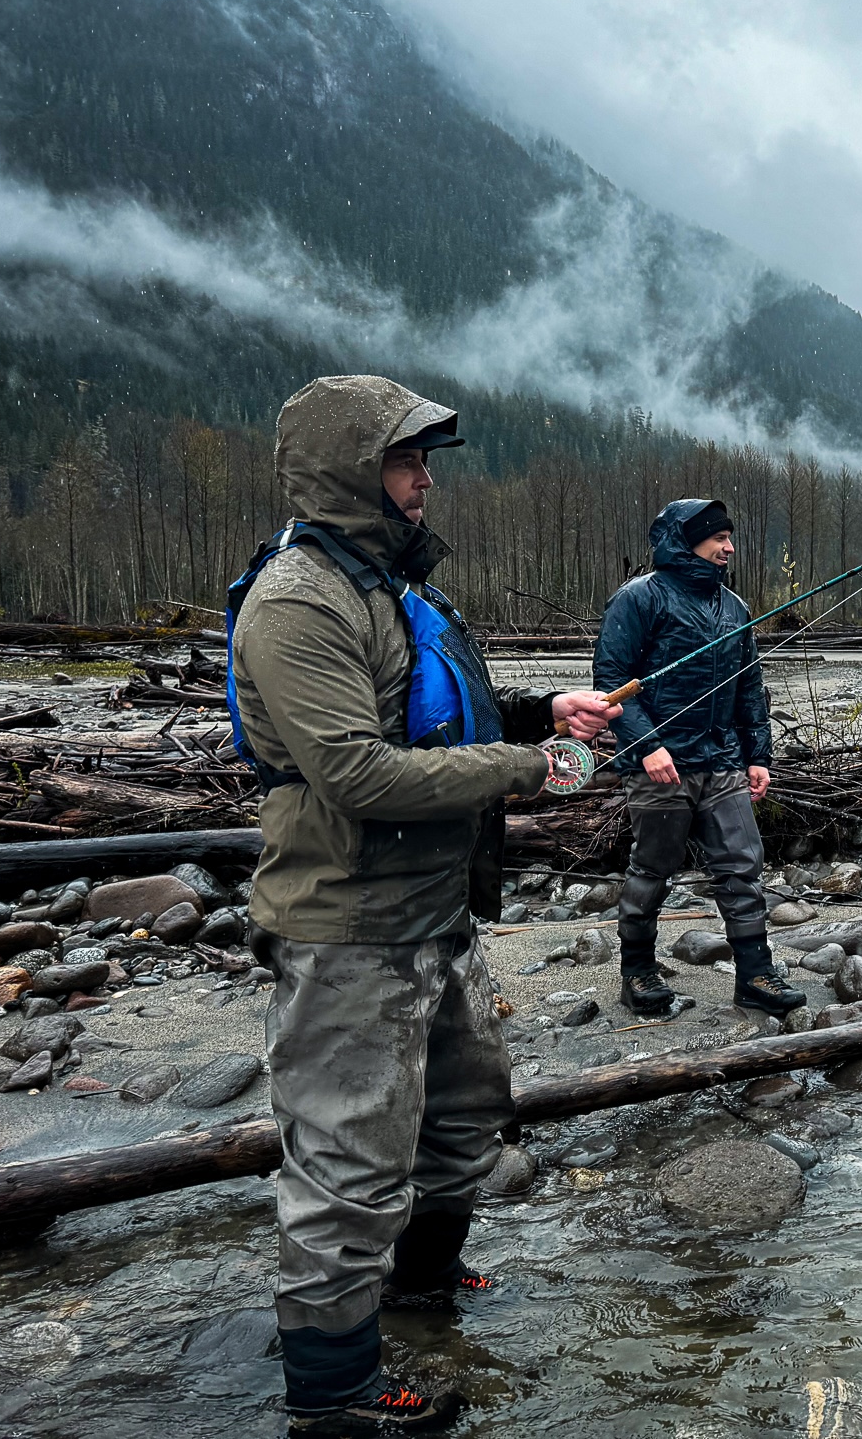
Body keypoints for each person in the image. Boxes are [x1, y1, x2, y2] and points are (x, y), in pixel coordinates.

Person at [229, 375, 619, 1434]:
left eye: (424, 459)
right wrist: (532, 766)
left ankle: (417, 1296)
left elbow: (435, 716)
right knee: (347, 1173)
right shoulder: (300, 600)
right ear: (353, 470)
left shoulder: (387, 588)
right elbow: (358, 772)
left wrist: (547, 709)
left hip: (433, 916)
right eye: (407, 460)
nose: (424, 479)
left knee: (461, 1125)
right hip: (346, 931)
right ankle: (334, 1399)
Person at [592, 499, 804, 1018]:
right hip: (659, 766)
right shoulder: (639, 599)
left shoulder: (735, 608)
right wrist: (648, 747)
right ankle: (638, 973)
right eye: (719, 538)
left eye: (730, 538)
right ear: (687, 541)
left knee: (742, 867)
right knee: (652, 869)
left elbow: (749, 688)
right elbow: (611, 685)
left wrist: (759, 755)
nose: (729, 547)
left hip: (724, 762)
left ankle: (755, 975)